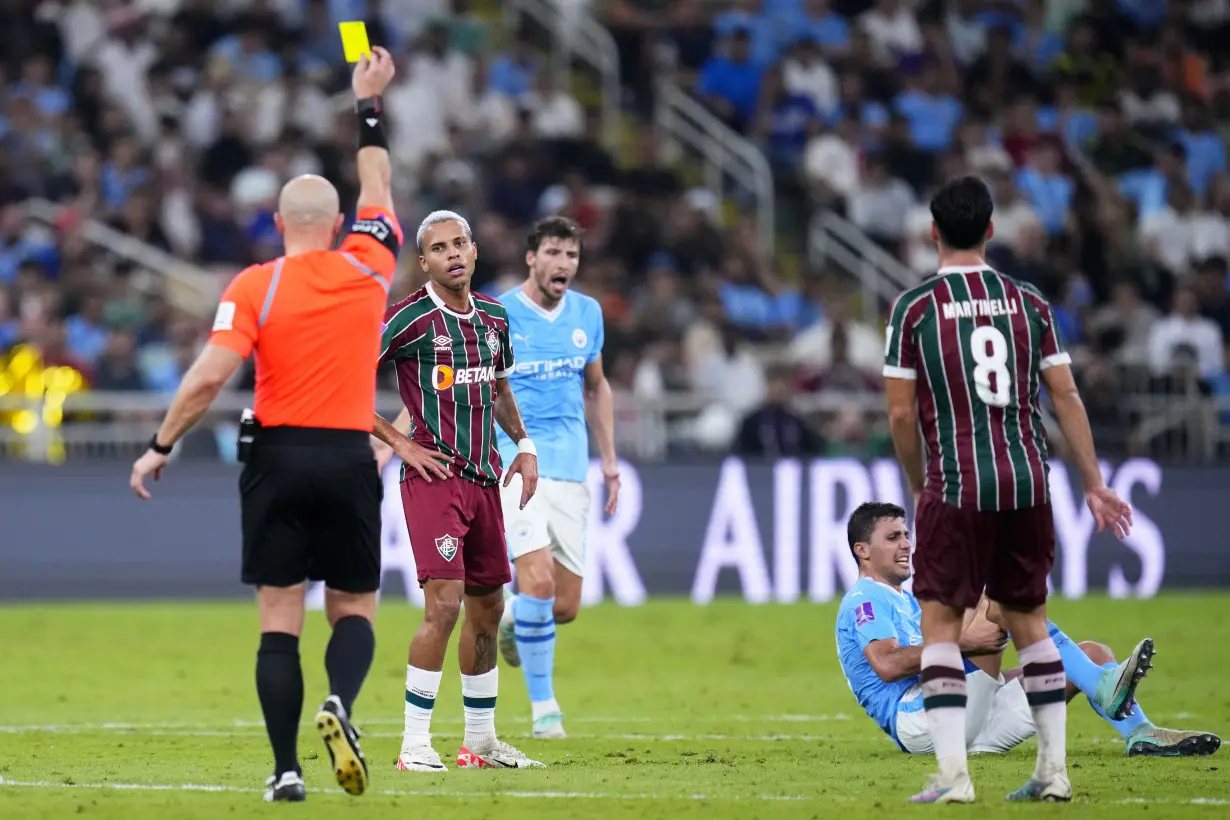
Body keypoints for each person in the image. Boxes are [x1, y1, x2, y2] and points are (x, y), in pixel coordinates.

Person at [128, 50, 402, 802]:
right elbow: (378, 178)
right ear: (341, 224)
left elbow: (210, 375)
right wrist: (366, 101)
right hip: (351, 454)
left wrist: (160, 447)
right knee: (353, 610)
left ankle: (285, 771)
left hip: (277, 458)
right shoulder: (371, 266)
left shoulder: (254, 285)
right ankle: (339, 703)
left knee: (279, 621)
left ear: (279, 224)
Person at [882, 175, 1134, 804]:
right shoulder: (1029, 303)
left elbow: (900, 415)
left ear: (932, 233)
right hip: (1027, 478)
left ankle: (953, 778)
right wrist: (1095, 483)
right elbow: (1067, 395)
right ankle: (1053, 773)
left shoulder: (914, 309)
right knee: (1032, 626)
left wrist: (918, 483)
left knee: (940, 626)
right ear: (991, 231)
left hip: (957, 483)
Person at [837, 503, 1221, 761]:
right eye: (893, 538)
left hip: (969, 721)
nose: (906, 544)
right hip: (920, 720)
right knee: (1000, 600)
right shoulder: (865, 600)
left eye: (906, 535)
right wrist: (965, 643)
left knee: (1093, 654)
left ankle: (1141, 734)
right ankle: (1104, 687)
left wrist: (981, 658)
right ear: (862, 550)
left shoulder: (907, 597)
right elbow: (887, 664)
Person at [372, 210, 545, 772]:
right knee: (443, 607)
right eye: (439, 248)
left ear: (473, 251)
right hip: (433, 481)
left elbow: (497, 389)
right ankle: (414, 745)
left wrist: (524, 445)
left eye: (459, 243)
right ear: (424, 262)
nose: (452, 254)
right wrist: (400, 442)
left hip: (484, 480)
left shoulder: (494, 318)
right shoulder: (408, 320)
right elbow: (342, 382)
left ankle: (480, 742)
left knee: (489, 608)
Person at [491, 216, 620, 739]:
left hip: (571, 467)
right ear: (532, 257)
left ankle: (510, 615)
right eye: (553, 253)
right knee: (538, 578)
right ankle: (546, 711)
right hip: (516, 460)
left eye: (571, 256)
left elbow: (597, 385)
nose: (563, 264)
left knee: (561, 606)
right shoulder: (499, 313)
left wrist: (609, 460)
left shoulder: (587, 313)